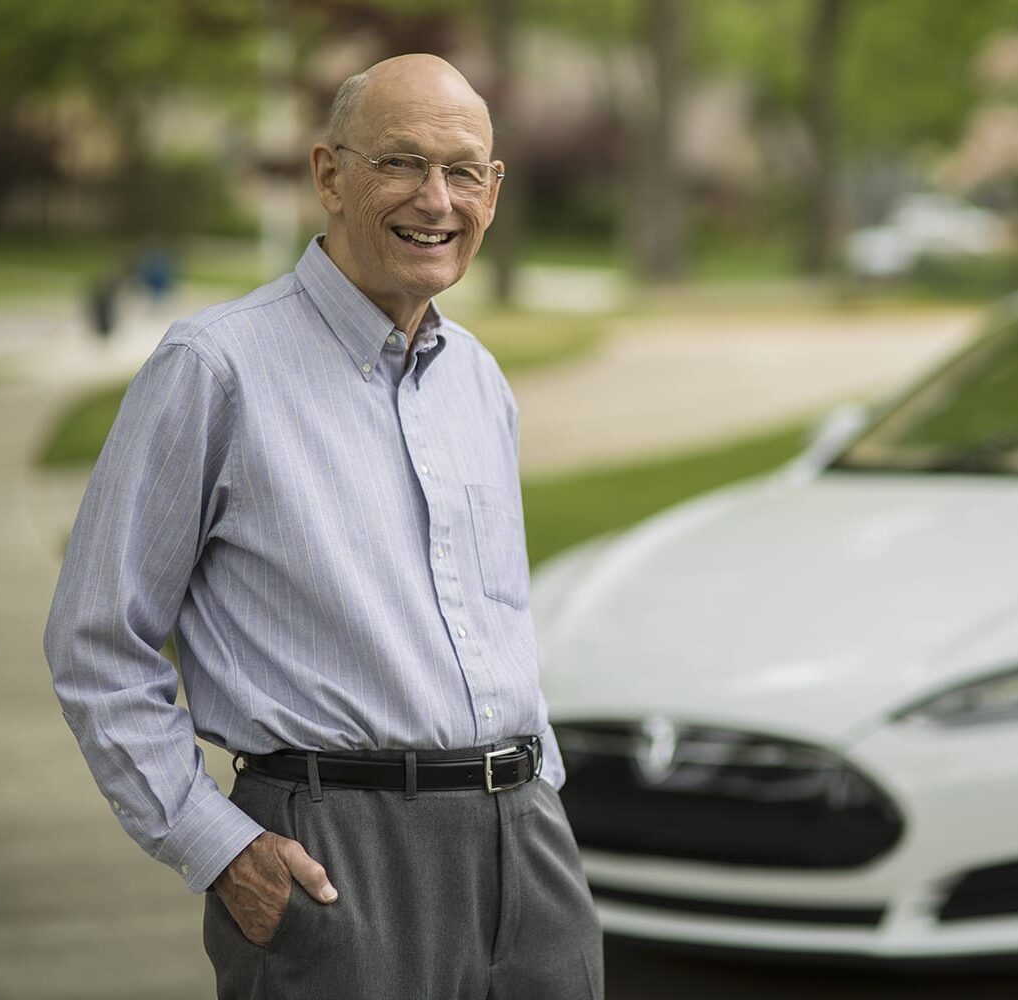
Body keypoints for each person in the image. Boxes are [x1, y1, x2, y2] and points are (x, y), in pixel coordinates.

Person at [44, 54, 603, 999]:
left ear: (494, 191)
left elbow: (496, 620)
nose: (437, 199)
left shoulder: (479, 379)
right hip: (334, 861)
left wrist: (539, 794)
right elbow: (98, 639)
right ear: (328, 176)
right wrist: (218, 848)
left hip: (527, 848)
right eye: (401, 162)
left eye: (463, 170)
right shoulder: (214, 369)